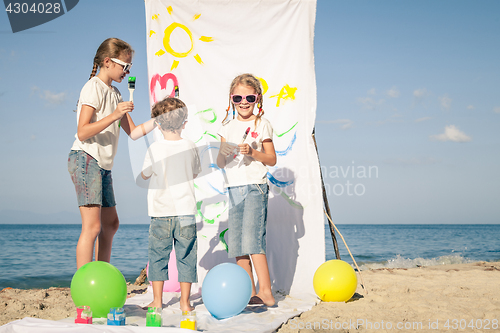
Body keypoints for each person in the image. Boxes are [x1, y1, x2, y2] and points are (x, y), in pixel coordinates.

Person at [68, 38, 155, 269]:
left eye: (130, 68)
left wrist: (161, 119)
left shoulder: (116, 94)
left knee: (112, 224)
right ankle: (85, 286)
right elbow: (83, 131)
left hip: (102, 166)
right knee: (93, 227)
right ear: (107, 61)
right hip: (86, 158)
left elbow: (135, 133)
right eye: (125, 66)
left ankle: (101, 277)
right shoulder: (93, 87)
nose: (127, 71)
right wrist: (115, 115)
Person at [216, 73, 277, 306]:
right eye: (238, 97)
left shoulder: (262, 125)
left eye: (249, 97)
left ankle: (266, 292)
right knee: (238, 245)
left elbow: (271, 159)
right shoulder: (226, 127)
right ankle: (250, 293)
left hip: (254, 188)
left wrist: (253, 153)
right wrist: (226, 153)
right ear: (231, 99)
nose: (244, 102)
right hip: (234, 188)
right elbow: (220, 162)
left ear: (257, 99)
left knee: (253, 241)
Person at [141, 97, 201, 311]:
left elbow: (145, 175)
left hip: (160, 212)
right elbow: (195, 171)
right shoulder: (191, 146)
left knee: (158, 257)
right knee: (186, 257)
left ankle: (157, 301)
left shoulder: (154, 149)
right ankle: (185, 303)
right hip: (185, 212)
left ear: (158, 124)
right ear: (184, 122)